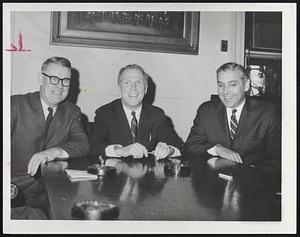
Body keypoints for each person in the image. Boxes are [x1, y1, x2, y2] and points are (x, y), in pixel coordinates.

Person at [11, 56, 90, 218]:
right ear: (41, 79)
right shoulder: (15, 105)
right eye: (54, 79)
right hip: (12, 192)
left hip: (49, 193)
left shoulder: (72, 111)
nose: (60, 86)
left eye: (65, 81)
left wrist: (53, 152)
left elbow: (83, 143)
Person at [185, 62, 281, 170]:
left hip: (252, 180)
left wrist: (248, 170)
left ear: (246, 85)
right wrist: (216, 149)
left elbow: (279, 159)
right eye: (221, 85)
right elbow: (190, 147)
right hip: (214, 181)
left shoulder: (267, 113)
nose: (225, 91)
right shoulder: (206, 111)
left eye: (233, 84)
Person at [89, 64, 183, 160]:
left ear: (145, 89)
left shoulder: (156, 114)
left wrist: (169, 149)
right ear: (119, 87)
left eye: (138, 83)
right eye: (127, 83)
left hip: (147, 174)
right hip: (115, 172)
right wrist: (120, 150)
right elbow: (93, 145)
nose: (133, 88)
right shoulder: (105, 113)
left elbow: (179, 146)